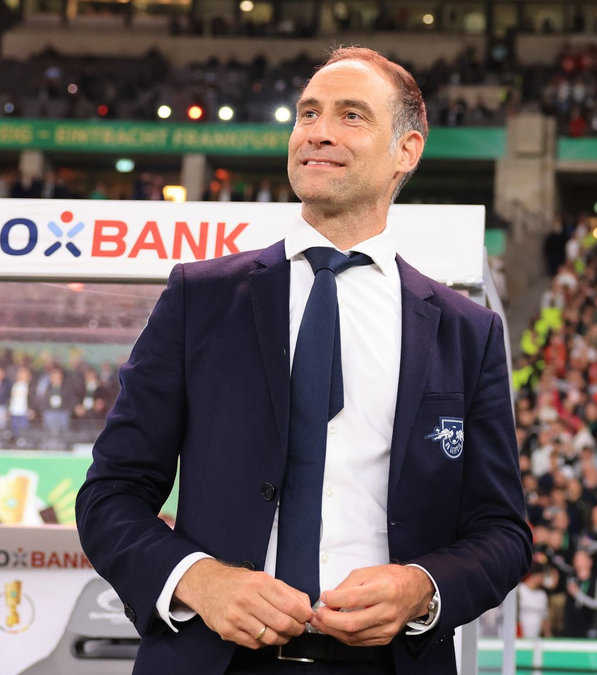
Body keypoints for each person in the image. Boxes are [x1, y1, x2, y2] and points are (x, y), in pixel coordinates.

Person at [76, 46, 531, 675]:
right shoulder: (200, 299)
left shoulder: (465, 331)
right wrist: (200, 581)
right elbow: (111, 495)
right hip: (215, 658)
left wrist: (421, 587)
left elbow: (503, 533)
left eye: (350, 116)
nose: (317, 131)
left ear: (408, 150)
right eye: (307, 113)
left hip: (387, 662)